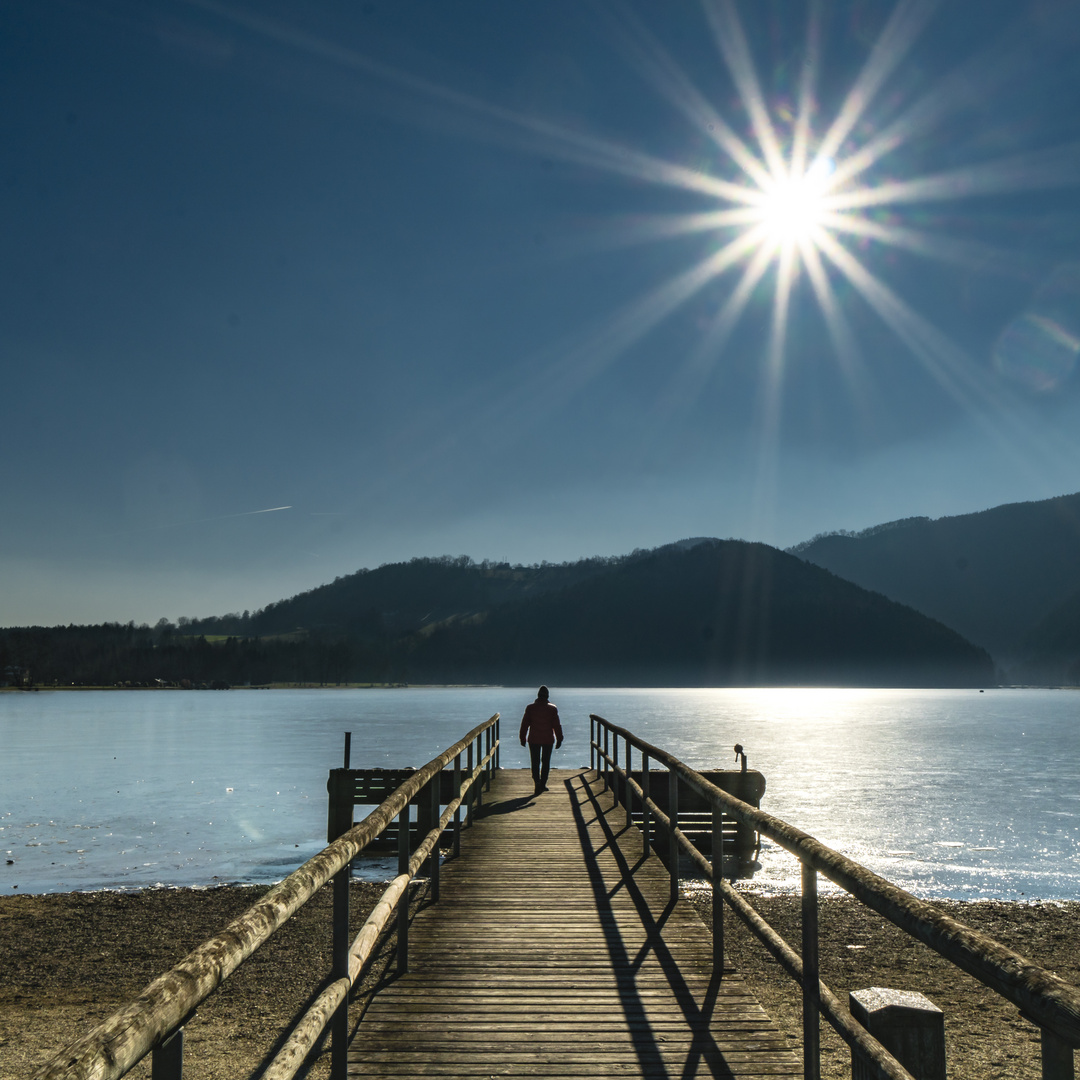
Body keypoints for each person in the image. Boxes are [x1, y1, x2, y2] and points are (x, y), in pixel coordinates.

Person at [519, 685, 563, 796]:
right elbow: (557, 725)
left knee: (535, 761)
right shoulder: (552, 708)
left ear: (538, 695)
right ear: (547, 696)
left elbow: (524, 724)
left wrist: (522, 737)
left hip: (534, 739)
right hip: (548, 739)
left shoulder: (530, 708)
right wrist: (559, 739)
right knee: (546, 762)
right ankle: (543, 784)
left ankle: (537, 782)